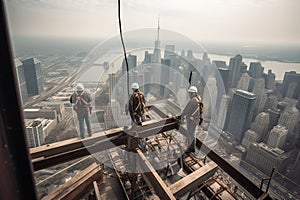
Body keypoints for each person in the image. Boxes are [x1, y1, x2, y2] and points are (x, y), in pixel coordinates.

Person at [181, 86, 204, 153]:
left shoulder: (193, 101)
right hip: (196, 119)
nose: (189, 94)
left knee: (191, 133)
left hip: (192, 120)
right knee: (192, 133)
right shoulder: (198, 98)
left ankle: (191, 148)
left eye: (190, 93)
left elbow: (187, 110)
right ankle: (192, 147)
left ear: (193, 93)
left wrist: (182, 115)